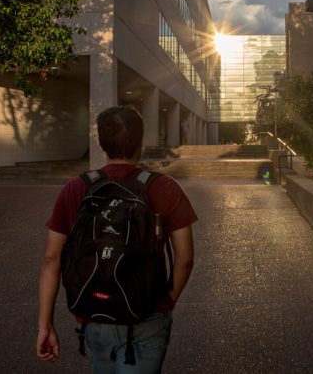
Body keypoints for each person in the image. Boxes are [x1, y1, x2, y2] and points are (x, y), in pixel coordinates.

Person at [37, 105, 197, 372]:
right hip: (147, 315)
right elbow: (185, 258)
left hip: (94, 314)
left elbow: (51, 259)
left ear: (101, 143)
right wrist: (165, 303)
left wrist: (45, 324)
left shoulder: (76, 187)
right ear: (141, 142)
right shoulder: (165, 187)